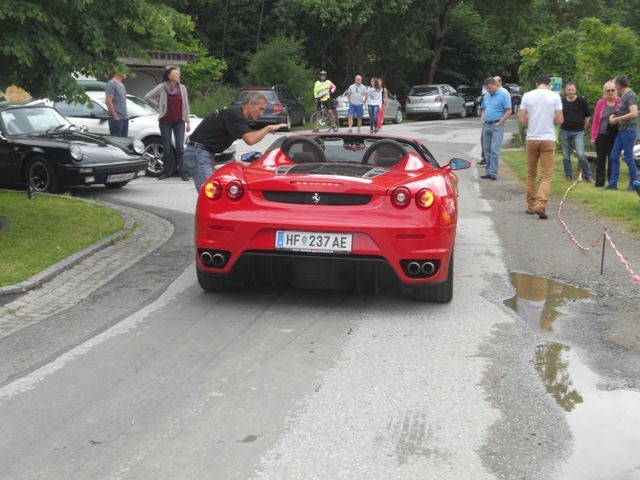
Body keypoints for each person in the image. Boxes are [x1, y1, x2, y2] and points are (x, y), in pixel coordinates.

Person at [183, 92, 287, 192]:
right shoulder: (235, 114)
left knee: (212, 193)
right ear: (250, 103)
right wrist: (268, 128)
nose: (261, 113)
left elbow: (249, 136)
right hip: (199, 153)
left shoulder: (236, 114)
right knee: (210, 193)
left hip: (203, 153)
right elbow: (250, 140)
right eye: (261, 109)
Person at [518, 74, 564, 220]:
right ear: (549, 84)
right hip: (548, 138)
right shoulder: (555, 97)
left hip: (532, 137)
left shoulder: (527, 96)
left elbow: (521, 119)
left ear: (536, 83)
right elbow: (560, 120)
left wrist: (532, 119)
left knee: (531, 173)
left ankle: (531, 205)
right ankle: (541, 204)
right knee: (546, 175)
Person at [144, 67, 191, 180]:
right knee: (167, 147)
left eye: (178, 73)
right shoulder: (162, 87)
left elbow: (186, 105)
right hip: (165, 121)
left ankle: (183, 172)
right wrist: (160, 106)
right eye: (176, 73)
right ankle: (166, 172)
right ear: (170, 76)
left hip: (179, 121)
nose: (178, 74)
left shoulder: (182, 88)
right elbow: (147, 97)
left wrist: (188, 122)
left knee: (180, 147)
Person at [606, 75, 639, 192]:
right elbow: (622, 111)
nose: (614, 86)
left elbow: (634, 113)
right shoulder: (623, 96)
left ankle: (633, 185)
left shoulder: (631, 95)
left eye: (615, 84)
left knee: (628, 158)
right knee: (614, 155)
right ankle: (613, 184)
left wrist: (617, 119)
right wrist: (614, 116)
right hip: (621, 131)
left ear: (619, 85)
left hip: (629, 131)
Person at [480, 77, 511, 180]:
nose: (488, 90)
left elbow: (508, 110)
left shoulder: (504, 94)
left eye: (490, 88)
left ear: (495, 85)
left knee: (494, 149)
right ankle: (488, 171)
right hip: (486, 125)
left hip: (497, 125)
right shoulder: (486, 96)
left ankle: (493, 172)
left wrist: (500, 122)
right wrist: (482, 118)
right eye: (487, 89)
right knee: (487, 149)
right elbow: (483, 108)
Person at [560, 82, 592, 182]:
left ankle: (588, 176)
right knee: (566, 155)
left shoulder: (581, 101)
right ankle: (568, 175)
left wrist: (583, 128)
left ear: (575, 90)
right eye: (569, 90)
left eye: (572, 90)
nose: (570, 92)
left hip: (578, 132)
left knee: (580, 154)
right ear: (565, 91)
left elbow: (587, 116)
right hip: (565, 130)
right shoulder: (562, 101)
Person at [590, 81, 620, 188]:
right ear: (605, 92)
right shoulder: (600, 103)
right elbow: (595, 121)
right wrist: (593, 136)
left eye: (613, 90)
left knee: (612, 158)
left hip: (615, 135)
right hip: (601, 134)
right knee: (601, 159)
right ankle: (599, 183)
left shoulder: (619, 102)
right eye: (608, 91)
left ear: (616, 91)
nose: (611, 92)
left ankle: (611, 183)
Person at [105, 70, 128, 137]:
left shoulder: (122, 85)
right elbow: (108, 101)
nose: (126, 72)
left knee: (124, 143)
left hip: (125, 118)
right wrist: (115, 116)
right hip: (117, 120)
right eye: (124, 70)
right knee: (117, 144)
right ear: (118, 71)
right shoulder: (111, 83)